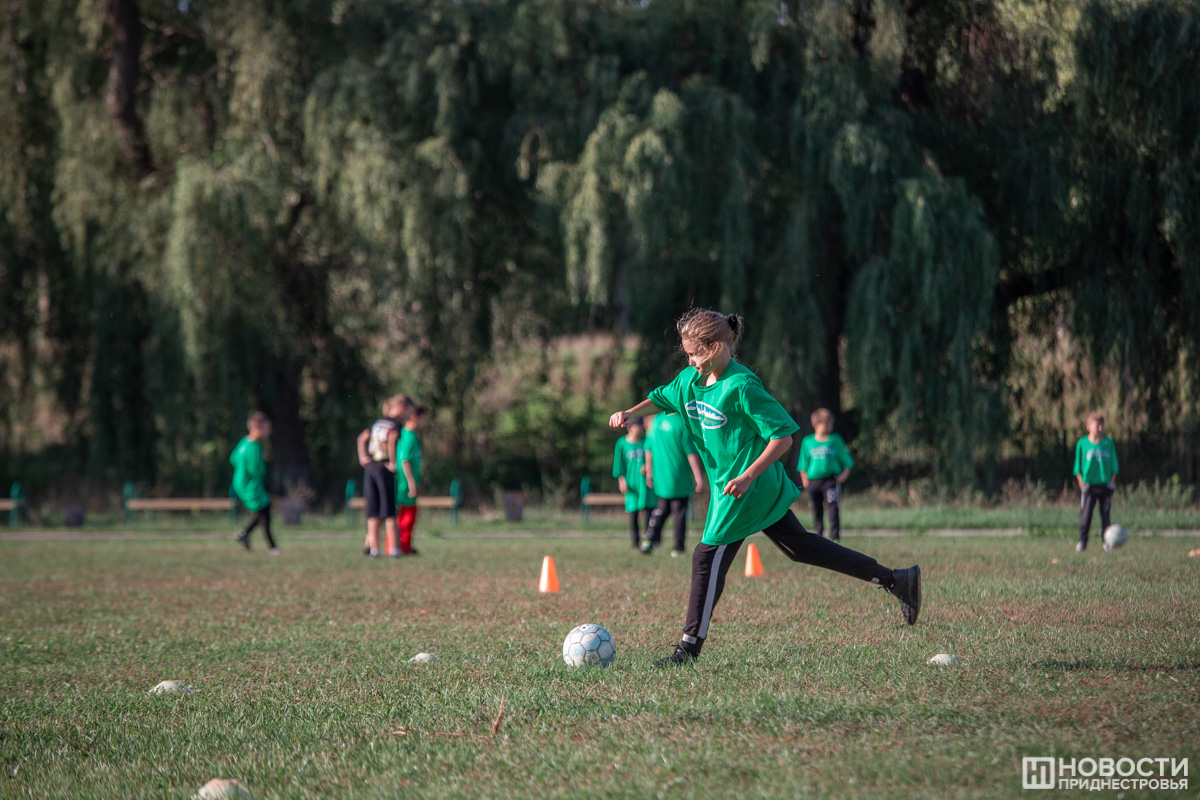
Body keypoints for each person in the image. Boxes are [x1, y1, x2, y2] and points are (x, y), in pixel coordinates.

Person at [608, 308, 921, 667]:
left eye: (694, 353)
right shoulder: (689, 382)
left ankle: (687, 650)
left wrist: (748, 476)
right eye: (687, 354)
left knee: (705, 558)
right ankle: (897, 580)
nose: (690, 360)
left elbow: (784, 436)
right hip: (742, 487)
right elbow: (662, 398)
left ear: (715, 347)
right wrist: (632, 412)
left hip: (746, 488)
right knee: (801, 548)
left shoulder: (742, 385)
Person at [642, 412, 706, 556]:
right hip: (679, 478)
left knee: (661, 509)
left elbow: (648, 448)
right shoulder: (682, 423)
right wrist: (698, 477)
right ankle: (678, 547)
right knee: (679, 513)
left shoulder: (655, 421)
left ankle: (649, 539)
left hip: (661, 477)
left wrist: (649, 471)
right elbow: (691, 452)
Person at [357, 395, 411, 557]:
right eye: (409, 411)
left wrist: (362, 457)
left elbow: (362, 438)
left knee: (373, 512)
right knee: (389, 511)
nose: (409, 415)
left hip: (370, 469)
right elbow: (393, 439)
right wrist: (393, 463)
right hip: (384, 468)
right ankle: (394, 549)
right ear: (401, 408)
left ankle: (374, 550)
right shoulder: (396, 424)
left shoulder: (377, 422)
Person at [797, 408, 854, 541]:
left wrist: (844, 475)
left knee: (833, 509)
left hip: (830, 481)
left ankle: (835, 537)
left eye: (830, 424)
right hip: (813, 481)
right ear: (816, 424)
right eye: (826, 424)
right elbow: (802, 464)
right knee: (817, 510)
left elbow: (847, 461)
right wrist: (805, 480)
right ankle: (818, 536)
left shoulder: (835, 440)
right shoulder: (807, 441)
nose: (830, 426)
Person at [231, 411, 278, 554]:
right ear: (257, 428)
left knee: (263, 511)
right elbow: (257, 470)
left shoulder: (244, 442)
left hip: (241, 482)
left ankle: (245, 535)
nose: (269, 432)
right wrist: (263, 461)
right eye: (267, 428)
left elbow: (232, 459)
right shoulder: (254, 447)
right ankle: (272, 546)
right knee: (264, 511)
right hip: (249, 485)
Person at [1073, 410, 1119, 552]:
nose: (1100, 428)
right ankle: (1082, 542)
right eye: (1097, 425)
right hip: (1089, 486)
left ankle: (1107, 542)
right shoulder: (1082, 443)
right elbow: (1077, 468)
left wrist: (1111, 482)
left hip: (1105, 485)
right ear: (1088, 427)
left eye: (1101, 426)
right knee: (1086, 516)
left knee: (1106, 516)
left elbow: (1114, 466)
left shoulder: (1108, 443)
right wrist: (1082, 484)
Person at [612, 417, 656, 549]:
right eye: (638, 426)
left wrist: (648, 467)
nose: (641, 429)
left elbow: (654, 458)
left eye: (642, 426)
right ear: (630, 427)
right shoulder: (622, 443)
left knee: (649, 511)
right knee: (633, 512)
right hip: (632, 484)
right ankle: (635, 541)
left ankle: (649, 539)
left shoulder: (646, 441)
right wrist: (622, 480)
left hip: (646, 484)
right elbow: (619, 465)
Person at [394, 404, 428, 557]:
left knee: (406, 515)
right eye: (424, 418)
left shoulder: (406, 434)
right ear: (415, 417)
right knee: (406, 517)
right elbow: (404, 460)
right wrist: (411, 482)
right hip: (404, 483)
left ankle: (403, 546)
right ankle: (402, 547)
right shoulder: (409, 436)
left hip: (404, 482)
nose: (425, 422)